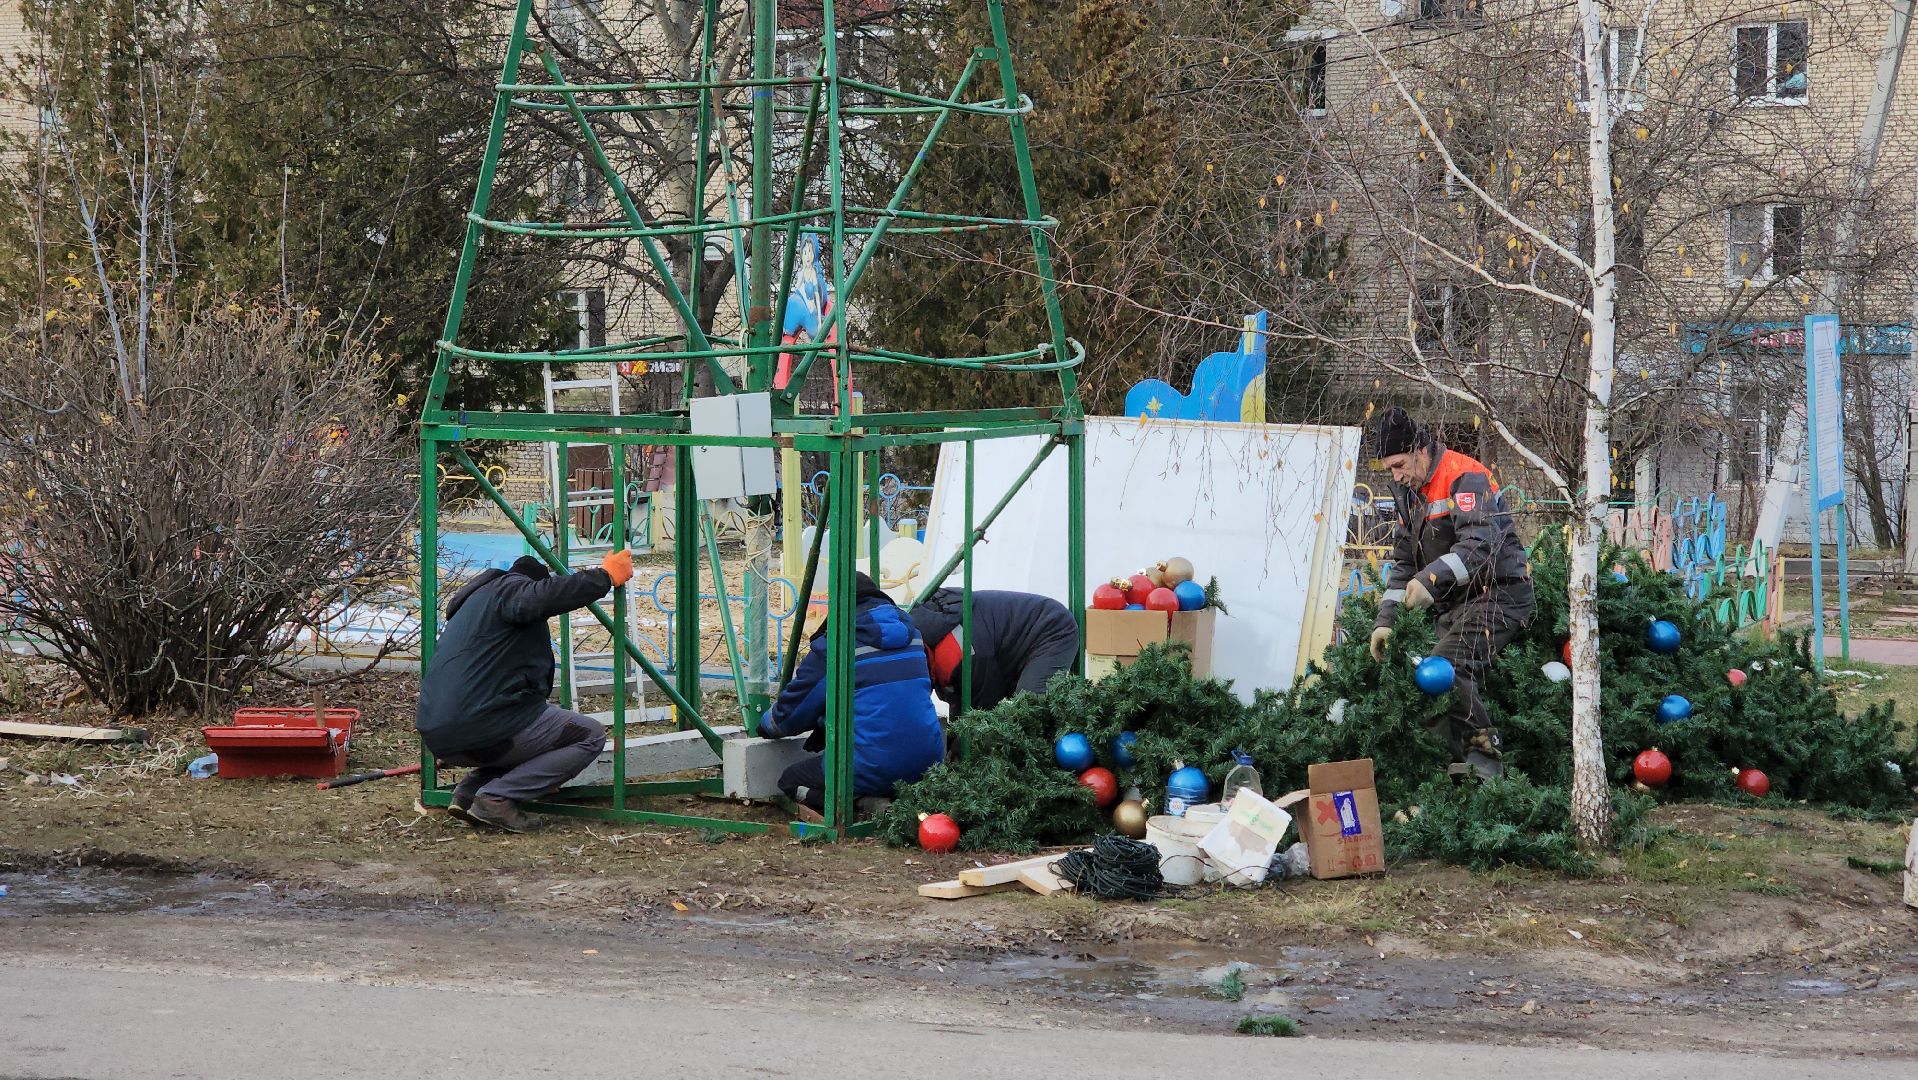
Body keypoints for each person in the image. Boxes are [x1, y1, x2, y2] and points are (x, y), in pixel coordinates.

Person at [1367, 407, 1533, 779]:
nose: (1396, 477)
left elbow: (1481, 544)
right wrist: (1385, 623)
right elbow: (1403, 565)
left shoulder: (1464, 476)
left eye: (1398, 465)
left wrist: (1432, 580)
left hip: (1500, 596)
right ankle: (1453, 775)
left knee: (1443, 670)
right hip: (1461, 605)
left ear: (1419, 449)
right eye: (1390, 470)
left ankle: (1488, 765)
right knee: (1431, 685)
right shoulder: (1410, 495)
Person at [415, 549, 634, 832]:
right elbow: (542, 595)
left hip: (442, 732)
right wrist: (603, 577)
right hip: (482, 724)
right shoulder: (509, 590)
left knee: (532, 730)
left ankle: (468, 793)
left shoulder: (473, 610)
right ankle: (497, 798)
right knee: (589, 735)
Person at [759, 573, 944, 811]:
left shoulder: (836, 646)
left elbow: (789, 716)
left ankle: (859, 802)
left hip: (871, 767)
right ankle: (888, 796)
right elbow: (901, 698)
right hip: (928, 764)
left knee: (790, 780)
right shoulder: (914, 637)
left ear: (837, 605)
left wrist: (766, 724)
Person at [909, 588, 1081, 713]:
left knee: (1030, 712)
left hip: (1050, 629)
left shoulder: (960, 650)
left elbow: (983, 706)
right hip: (1009, 641)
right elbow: (961, 701)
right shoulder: (924, 631)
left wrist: (957, 750)